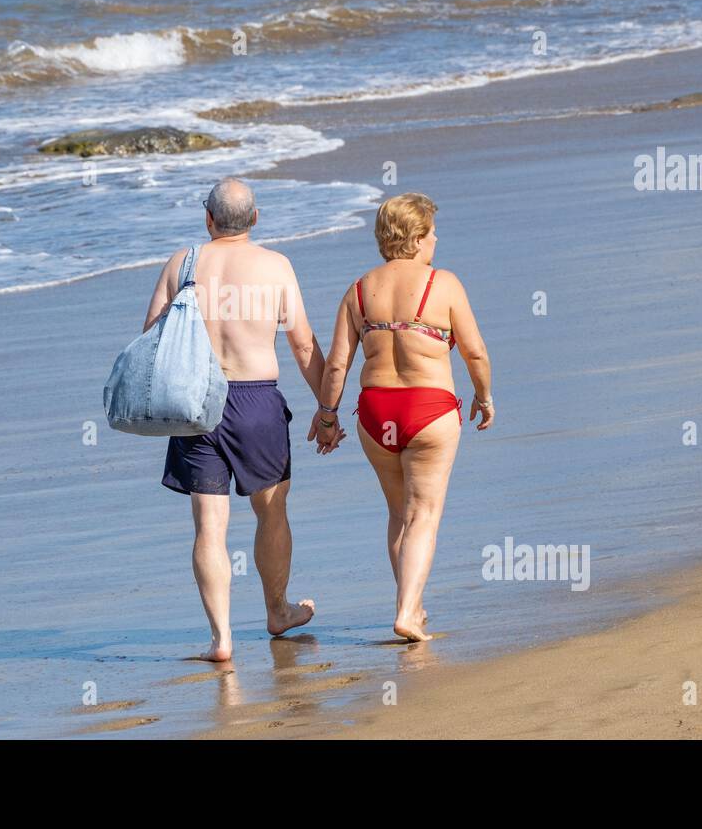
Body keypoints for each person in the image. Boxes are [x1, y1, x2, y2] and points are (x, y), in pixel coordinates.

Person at [143, 178, 345, 662]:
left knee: (209, 527)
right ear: (255, 219)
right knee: (271, 511)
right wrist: (328, 408)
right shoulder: (275, 266)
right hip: (257, 403)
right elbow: (301, 345)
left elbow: (151, 335)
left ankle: (222, 639)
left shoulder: (182, 263)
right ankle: (277, 611)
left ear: (207, 219)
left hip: (198, 403)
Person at [315, 193, 492, 642]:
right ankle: (408, 611)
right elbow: (474, 351)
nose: (436, 240)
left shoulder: (358, 290)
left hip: (376, 413)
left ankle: (410, 605)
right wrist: (484, 396)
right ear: (415, 240)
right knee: (424, 514)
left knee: (399, 513)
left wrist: (328, 417)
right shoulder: (444, 284)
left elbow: (337, 364)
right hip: (428, 409)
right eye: (432, 233)